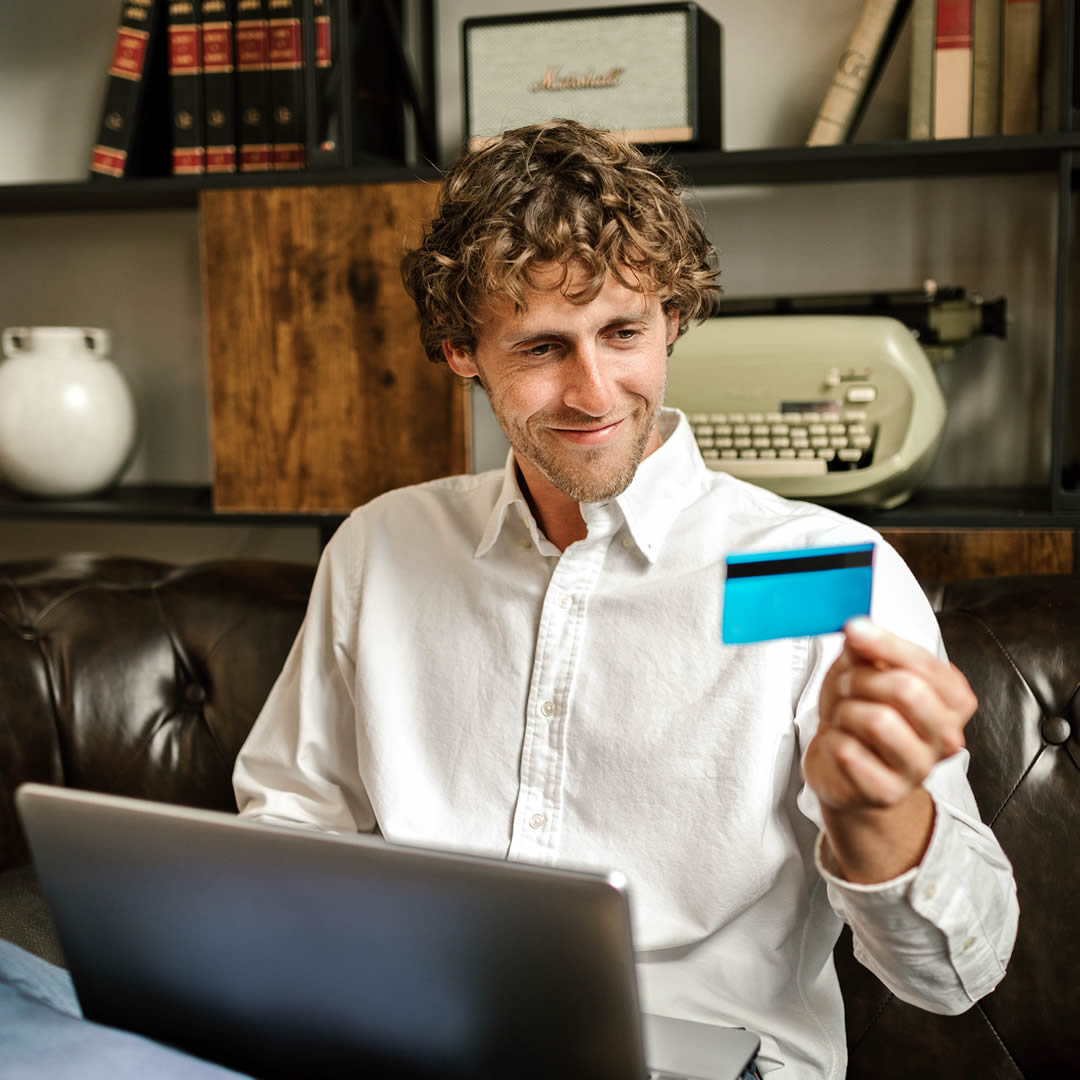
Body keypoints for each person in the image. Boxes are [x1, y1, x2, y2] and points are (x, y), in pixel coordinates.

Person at [1, 119, 1017, 1080]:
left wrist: (878, 816)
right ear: (461, 352)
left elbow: (954, 976)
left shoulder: (825, 571)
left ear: (672, 318)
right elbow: (295, 823)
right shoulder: (382, 547)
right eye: (540, 348)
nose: (593, 391)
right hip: (404, 1045)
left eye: (624, 332)